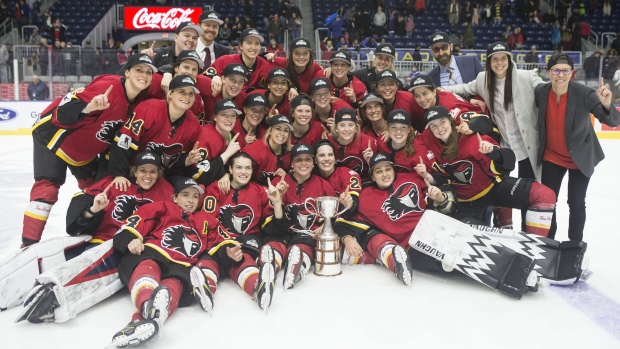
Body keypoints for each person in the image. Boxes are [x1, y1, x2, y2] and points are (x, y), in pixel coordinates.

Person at [24, 53, 156, 247]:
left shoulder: (140, 98)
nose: (143, 75)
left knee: (97, 188)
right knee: (47, 190)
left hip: (84, 153)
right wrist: (88, 107)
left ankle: (90, 231)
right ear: (127, 72)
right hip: (53, 137)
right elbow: (63, 111)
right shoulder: (108, 87)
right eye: (138, 70)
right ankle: (28, 245)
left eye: (148, 72)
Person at [109, 177, 237, 347]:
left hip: (183, 264)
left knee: (176, 284)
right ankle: (149, 305)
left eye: (194, 196)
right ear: (175, 197)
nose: (190, 200)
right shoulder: (162, 207)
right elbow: (134, 223)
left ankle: (140, 321)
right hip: (154, 253)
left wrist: (229, 252)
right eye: (185, 195)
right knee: (147, 268)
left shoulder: (207, 219)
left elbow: (221, 240)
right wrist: (130, 239)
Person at [442, 43, 545, 229]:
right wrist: (439, 91)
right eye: (495, 59)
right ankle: (505, 229)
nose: (499, 62)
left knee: (527, 194)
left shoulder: (526, 76)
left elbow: (546, 91)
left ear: (509, 59)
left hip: (528, 148)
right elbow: (464, 88)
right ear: (489, 61)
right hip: (505, 147)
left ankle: (527, 234)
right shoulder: (483, 79)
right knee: (502, 190)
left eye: (503, 58)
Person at [419, 106, 557, 237]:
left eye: (442, 122)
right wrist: (427, 176)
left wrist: (493, 152)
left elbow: (508, 162)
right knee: (463, 234)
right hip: (466, 201)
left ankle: (534, 247)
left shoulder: (471, 138)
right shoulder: (430, 146)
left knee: (544, 195)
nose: (439, 128)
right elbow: (442, 178)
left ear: (451, 121)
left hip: (492, 188)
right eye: (434, 126)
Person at [534, 54, 620, 241]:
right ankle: (548, 242)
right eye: (556, 70)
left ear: (572, 73)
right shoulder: (541, 91)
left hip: (580, 156)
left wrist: (606, 104)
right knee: (548, 202)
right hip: (552, 156)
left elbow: (612, 121)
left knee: (576, 202)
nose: (560, 75)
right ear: (548, 72)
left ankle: (574, 246)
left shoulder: (584, 94)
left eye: (566, 70)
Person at [332, 152, 452, 284]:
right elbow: (342, 223)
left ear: (394, 170)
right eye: (379, 171)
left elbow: (446, 183)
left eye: (388, 169)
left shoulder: (412, 178)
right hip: (412, 247)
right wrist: (347, 238)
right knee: (445, 264)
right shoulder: (366, 197)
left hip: (434, 230)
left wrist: (440, 197)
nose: (384, 174)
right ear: (372, 176)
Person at [199, 152, 284, 311]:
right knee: (208, 258)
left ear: (252, 171)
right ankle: (205, 286)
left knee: (241, 256)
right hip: (221, 244)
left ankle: (257, 287)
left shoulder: (260, 192)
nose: (243, 172)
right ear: (230, 169)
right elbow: (209, 223)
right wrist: (227, 247)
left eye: (247, 168)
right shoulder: (216, 189)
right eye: (238, 167)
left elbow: (275, 229)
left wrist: (277, 203)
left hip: (248, 244)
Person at [260, 143, 339, 289]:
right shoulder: (280, 183)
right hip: (282, 234)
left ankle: (296, 267)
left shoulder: (323, 185)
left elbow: (334, 215)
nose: (303, 163)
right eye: (298, 160)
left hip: (308, 236)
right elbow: (270, 223)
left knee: (302, 245)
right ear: (292, 163)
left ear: (313, 162)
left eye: (307, 159)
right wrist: (278, 200)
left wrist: (325, 226)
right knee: (274, 245)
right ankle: (268, 271)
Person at [107, 75, 203, 185]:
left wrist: (187, 160)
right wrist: (119, 174)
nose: (187, 97)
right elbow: (123, 141)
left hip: (157, 177)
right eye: (182, 92)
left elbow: (175, 162)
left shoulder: (193, 124)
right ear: (170, 94)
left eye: (191, 93)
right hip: (128, 169)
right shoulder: (149, 109)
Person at [193, 99, 243, 186]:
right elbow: (199, 176)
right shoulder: (206, 136)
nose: (229, 119)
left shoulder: (235, 136)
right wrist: (227, 154)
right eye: (224, 115)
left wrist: (227, 175)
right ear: (215, 117)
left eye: (233, 115)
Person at [209, 28, 276, 91]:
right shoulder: (225, 60)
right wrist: (214, 77)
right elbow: (205, 76)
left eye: (257, 43)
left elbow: (285, 63)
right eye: (249, 43)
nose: (253, 47)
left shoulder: (267, 64)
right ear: (240, 46)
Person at [327, 108, 380, 180]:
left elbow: (380, 171)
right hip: (336, 182)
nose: (346, 129)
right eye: (342, 125)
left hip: (364, 182)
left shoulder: (368, 143)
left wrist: (371, 162)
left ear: (356, 128)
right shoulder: (328, 143)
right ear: (336, 128)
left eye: (350, 125)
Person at [242, 115, 292, 185]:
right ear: (270, 131)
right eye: (278, 129)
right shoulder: (256, 149)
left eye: (286, 130)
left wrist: (283, 174)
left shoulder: (288, 154)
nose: (282, 133)